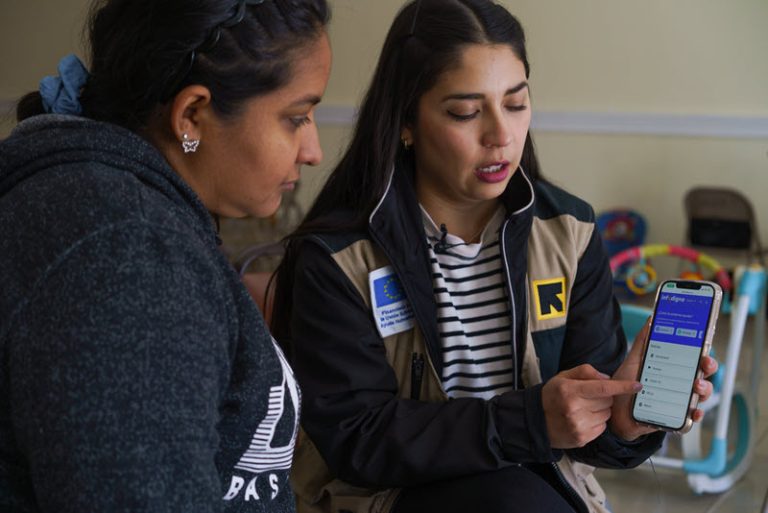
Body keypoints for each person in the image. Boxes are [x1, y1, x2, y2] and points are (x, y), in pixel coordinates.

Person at [271, 1, 717, 512]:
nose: (501, 136)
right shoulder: (337, 258)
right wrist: (530, 421)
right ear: (405, 122)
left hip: (541, 492)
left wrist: (621, 419)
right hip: (388, 498)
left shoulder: (569, 232)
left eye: (516, 103)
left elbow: (589, 440)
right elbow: (359, 439)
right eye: (465, 112)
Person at [0, 0, 330, 512]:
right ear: (192, 116)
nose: (313, 150)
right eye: (297, 117)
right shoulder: (126, 252)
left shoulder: (121, 217)